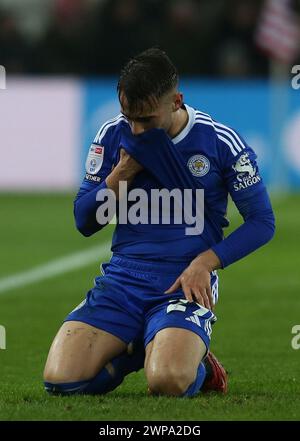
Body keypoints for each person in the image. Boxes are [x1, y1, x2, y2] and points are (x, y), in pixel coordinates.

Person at [43, 48, 275, 397]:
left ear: (176, 102)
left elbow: (262, 222)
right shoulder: (112, 135)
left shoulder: (218, 141)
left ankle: (197, 365)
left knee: (168, 382)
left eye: (147, 120)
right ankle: (139, 348)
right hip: (123, 278)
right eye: (128, 118)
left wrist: (206, 263)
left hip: (184, 281)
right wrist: (121, 173)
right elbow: (85, 221)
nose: (136, 130)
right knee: (62, 382)